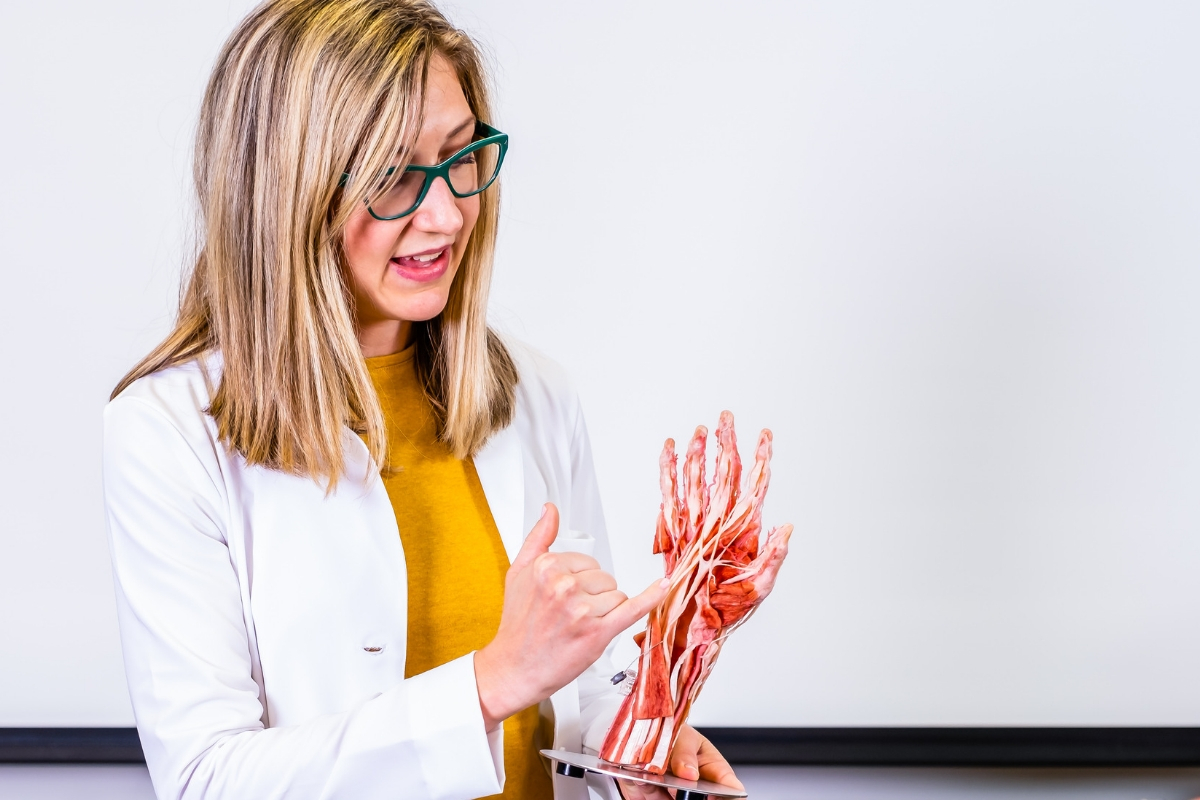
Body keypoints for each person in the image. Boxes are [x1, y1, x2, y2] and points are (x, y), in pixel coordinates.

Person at [102, 1, 746, 798]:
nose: (446, 214)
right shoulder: (168, 432)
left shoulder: (535, 394)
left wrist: (641, 747)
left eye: (459, 156)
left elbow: (584, 688)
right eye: (390, 175)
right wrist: (486, 685)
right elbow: (208, 779)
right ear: (283, 194)